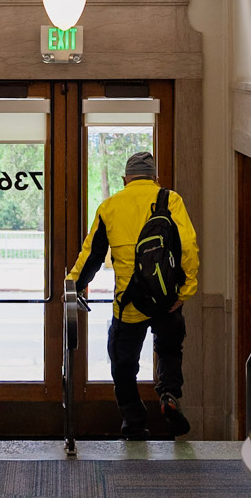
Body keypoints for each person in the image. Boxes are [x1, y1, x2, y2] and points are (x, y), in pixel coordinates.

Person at [67, 151, 199, 440]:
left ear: (125, 178)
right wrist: (185, 291)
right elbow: (188, 246)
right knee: (168, 350)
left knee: (123, 363)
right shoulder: (170, 200)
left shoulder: (110, 206)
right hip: (167, 298)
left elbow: (91, 255)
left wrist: (72, 285)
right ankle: (168, 395)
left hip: (129, 303)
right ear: (154, 178)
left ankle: (134, 420)